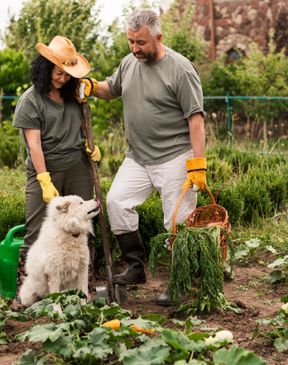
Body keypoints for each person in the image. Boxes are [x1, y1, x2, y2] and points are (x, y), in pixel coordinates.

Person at [77, 9, 207, 306]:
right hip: (138, 157)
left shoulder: (181, 70)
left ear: (159, 38)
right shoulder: (128, 63)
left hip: (174, 156)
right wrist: (93, 87)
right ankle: (136, 268)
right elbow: (113, 89)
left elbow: (196, 119)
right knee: (116, 202)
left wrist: (197, 164)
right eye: (130, 41)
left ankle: (181, 282)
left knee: (177, 223)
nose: (135, 48)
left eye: (141, 43)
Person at [12, 35, 101, 308]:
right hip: (45, 168)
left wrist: (90, 148)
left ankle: (86, 286)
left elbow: (83, 127)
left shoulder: (75, 97)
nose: (62, 78)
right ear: (45, 68)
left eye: (67, 74)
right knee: (36, 227)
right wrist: (43, 178)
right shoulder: (31, 101)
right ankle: (23, 291)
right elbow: (34, 145)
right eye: (57, 72)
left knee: (84, 225)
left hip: (77, 166)